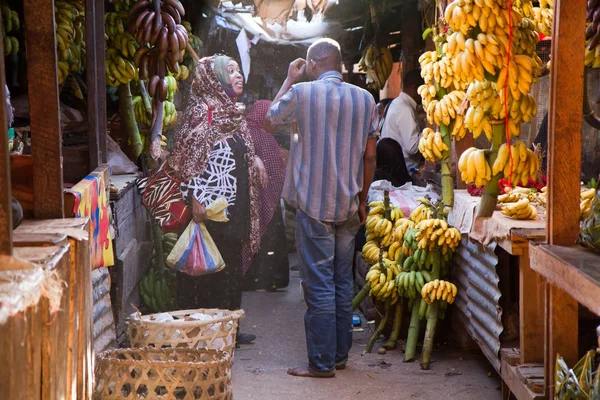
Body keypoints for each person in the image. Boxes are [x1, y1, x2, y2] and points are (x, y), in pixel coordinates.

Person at [266, 38, 378, 378]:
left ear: (314, 64)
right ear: (340, 64)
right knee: (343, 282)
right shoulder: (366, 99)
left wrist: (289, 79)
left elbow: (270, 120)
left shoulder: (303, 94)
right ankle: (339, 355)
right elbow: (370, 156)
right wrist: (362, 201)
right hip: (349, 206)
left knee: (318, 285)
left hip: (314, 205)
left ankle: (321, 362)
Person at [168, 54, 268, 346]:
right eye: (230, 71)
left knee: (232, 270)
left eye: (238, 70)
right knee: (210, 270)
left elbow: (238, 149)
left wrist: (256, 160)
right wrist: (193, 197)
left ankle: (229, 329)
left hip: (233, 205)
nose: (238, 76)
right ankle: (207, 332)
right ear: (215, 79)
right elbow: (185, 159)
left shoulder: (231, 112)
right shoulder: (203, 112)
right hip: (210, 206)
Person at [242, 100, 289, 291]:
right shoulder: (265, 137)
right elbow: (277, 171)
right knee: (267, 238)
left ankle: (248, 279)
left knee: (249, 239)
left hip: (245, 201)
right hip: (266, 198)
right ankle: (266, 280)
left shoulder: (244, 133)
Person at [380, 70, 425, 176]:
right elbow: (412, 147)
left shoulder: (397, 103)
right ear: (415, 88)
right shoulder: (404, 108)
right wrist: (429, 130)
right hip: (404, 173)